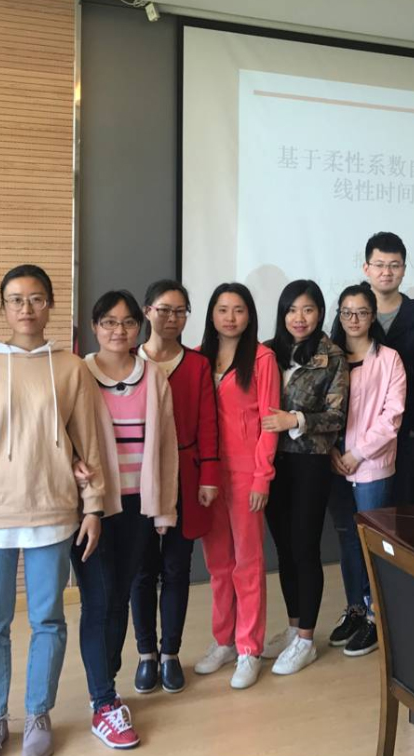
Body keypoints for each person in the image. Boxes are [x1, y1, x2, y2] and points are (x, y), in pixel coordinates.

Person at [0, 264, 109, 756]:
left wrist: (94, 506)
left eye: (36, 298)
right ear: (3, 308)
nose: (26, 308)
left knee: (48, 620)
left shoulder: (72, 367)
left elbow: (88, 442)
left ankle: (39, 712)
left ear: (50, 305)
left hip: (54, 510)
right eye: (16, 299)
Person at [76, 290, 178, 748]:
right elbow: (62, 436)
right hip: (94, 507)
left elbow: (167, 445)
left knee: (119, 596)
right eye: (109, 322)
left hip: (139, 505)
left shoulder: (153, 376)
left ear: (140, 326)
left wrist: (164, 508)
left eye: (128, 322)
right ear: (94, 326)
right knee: (98, 599)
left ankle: (105, 685)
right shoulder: (78, 373)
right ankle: (103, 700)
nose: (119, 330)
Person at [131, 279, 218, 695]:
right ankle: (145, 653)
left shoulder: (197, 365)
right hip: (138, 478)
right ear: (147, 311)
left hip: (186, 473)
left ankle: (170, 653)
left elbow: (208, 424)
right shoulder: (128, 361)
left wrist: (209, 476)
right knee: (142, 570)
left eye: (180, 311)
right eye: (164, 309)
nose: (172, 318)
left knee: (177, 568)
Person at [261, 280, 349, 676]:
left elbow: (336, 416)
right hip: (271, 462)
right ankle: (294, 626)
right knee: (283, 548)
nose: (300, 318)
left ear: (320, 313)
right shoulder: (267, 351)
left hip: (309, 462)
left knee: (305, 547)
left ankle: (307, 640)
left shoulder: (332, 356)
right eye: (292, 309)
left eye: (308, 309)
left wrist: (294, 419)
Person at [194, 283, 280, 690]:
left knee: (248, 564)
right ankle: (224, 641)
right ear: (211, 314)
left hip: (247, 474)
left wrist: (263, 475)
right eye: (223, 309)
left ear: (250, 315)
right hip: (209, 475)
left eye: (239, 310)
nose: (230, 317)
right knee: (217, 564)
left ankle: (249, 648)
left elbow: (269, 423)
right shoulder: (198, 357)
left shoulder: (262, 359)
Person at [325, 285, 406, 658]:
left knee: (371, 540)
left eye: (361, 312)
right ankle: (355, 609)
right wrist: (332, 451)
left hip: (371, 464)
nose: (354, 319)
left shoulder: (389, 359)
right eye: (347, 312)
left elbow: (392, 417)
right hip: (334, 463)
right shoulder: (329, 357)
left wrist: (357, 454)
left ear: (373, 316)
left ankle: (376, 616)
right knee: (347, 539)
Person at [361, 232, 414, 505]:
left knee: (403, 510)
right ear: (366, 268)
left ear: (404, 269)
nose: (386, 272)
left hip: (406, 434)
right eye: (379, 265)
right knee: (364, 516)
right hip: (360, 435)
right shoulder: (353, 311)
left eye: (394, 265)